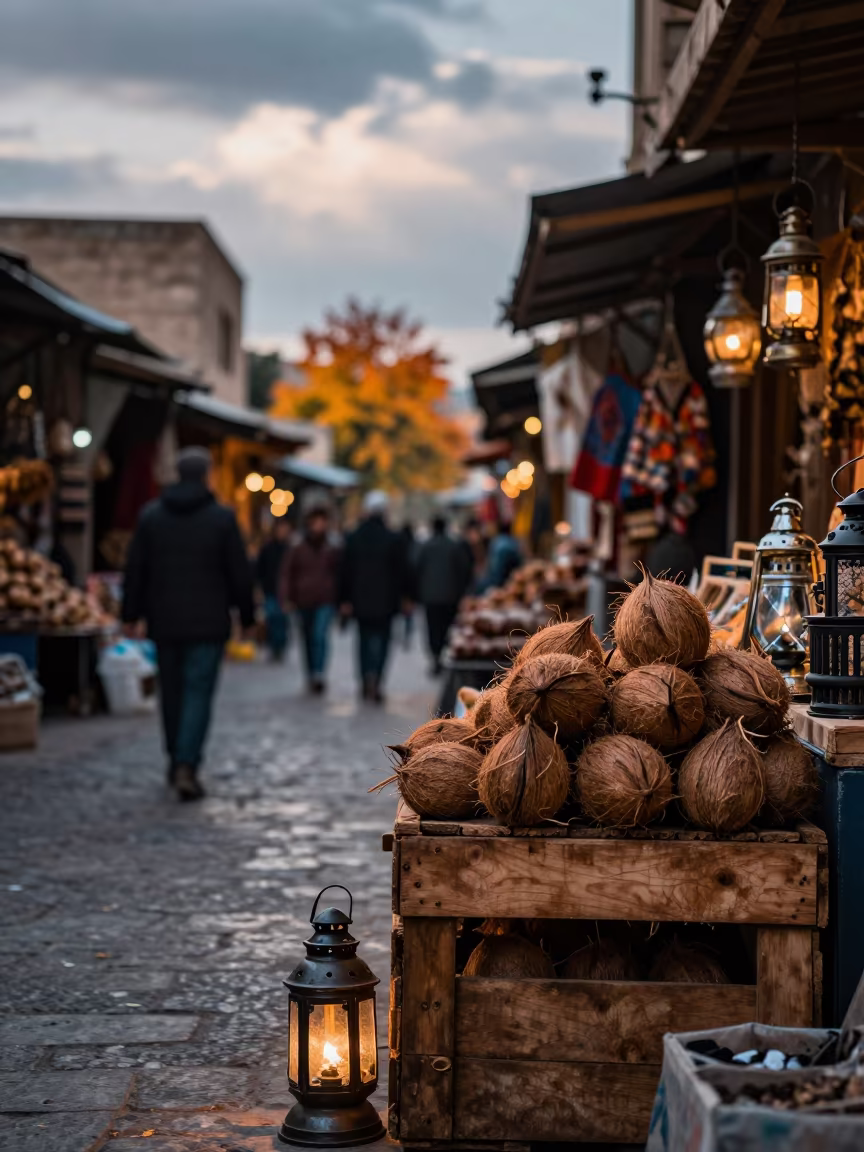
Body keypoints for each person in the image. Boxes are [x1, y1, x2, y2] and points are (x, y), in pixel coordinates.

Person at [122, 446, 254, 800]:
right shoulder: (222, 519)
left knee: (173, 693)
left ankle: (174, 758)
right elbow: (239, 574)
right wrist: (248, 615)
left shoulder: (152, 516)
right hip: (208, 624)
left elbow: (135, 570)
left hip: (164, 621)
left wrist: (130, 614)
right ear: (207, 474)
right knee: (197, 692)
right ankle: (186, 763)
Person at [339, 490, 411, 702]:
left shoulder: (353, 537)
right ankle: (377, 678)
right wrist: (406, 597)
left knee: (362, 641)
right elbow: (403, 572)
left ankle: (364, 678)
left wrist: (344, 600)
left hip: (360, 600)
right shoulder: (394, 539)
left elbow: (345, 571)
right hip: (387, 600)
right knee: (383, 641)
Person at [281, 506, 340, 693]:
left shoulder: (332, 547)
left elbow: (339, 573)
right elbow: (287, 573)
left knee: (320, 635)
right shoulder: (298, 547)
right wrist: (287, 597)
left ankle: (319, 672)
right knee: (307, 638)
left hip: (325, 599)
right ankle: (310, 673)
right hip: (303, 599)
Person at [415, 515, 472, 674]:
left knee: (433, 628)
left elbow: (416, 569)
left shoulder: (425, 547)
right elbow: (464, 569)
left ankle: (436, 656)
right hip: (450, 595)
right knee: (448, 627)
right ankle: (446, 654)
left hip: (430, 596)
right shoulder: (454, 546)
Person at [256, 519, 291, 661]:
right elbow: (259, 569)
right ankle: (274, 646)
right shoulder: (267, 548)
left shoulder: (290, 549)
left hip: (285, 592)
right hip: (270, 589)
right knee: (272, 618)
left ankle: (280, 646)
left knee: (282, 619)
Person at [483, 520, 522, 589]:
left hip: (506, 585)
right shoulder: (509, 541)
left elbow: (497, 577)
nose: (485, 529)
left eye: (487, 525)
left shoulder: (500, 545)